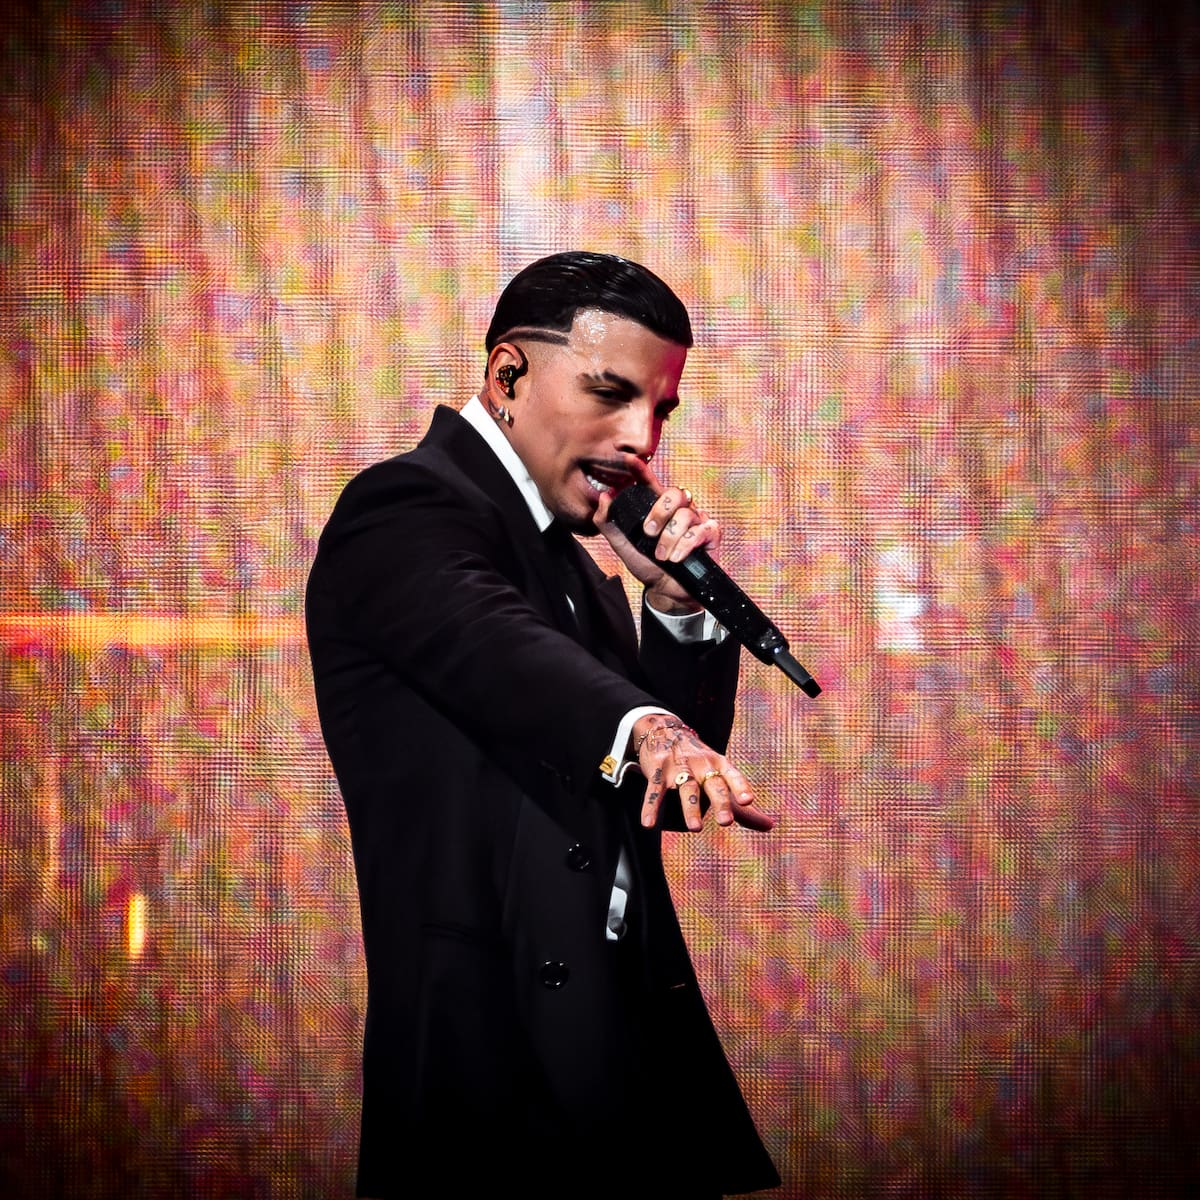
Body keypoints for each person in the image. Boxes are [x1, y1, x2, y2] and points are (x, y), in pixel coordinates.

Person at [305, 251, 782, 1199]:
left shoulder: (577, 568)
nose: (641, 438)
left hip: (623, 1068)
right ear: (509, 375)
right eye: (610, 393)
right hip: (490, 1078)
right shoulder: (404, 507)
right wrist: (643, 725)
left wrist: (674, 607)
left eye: (661, 410)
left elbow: (665, 800)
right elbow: (495, 646)